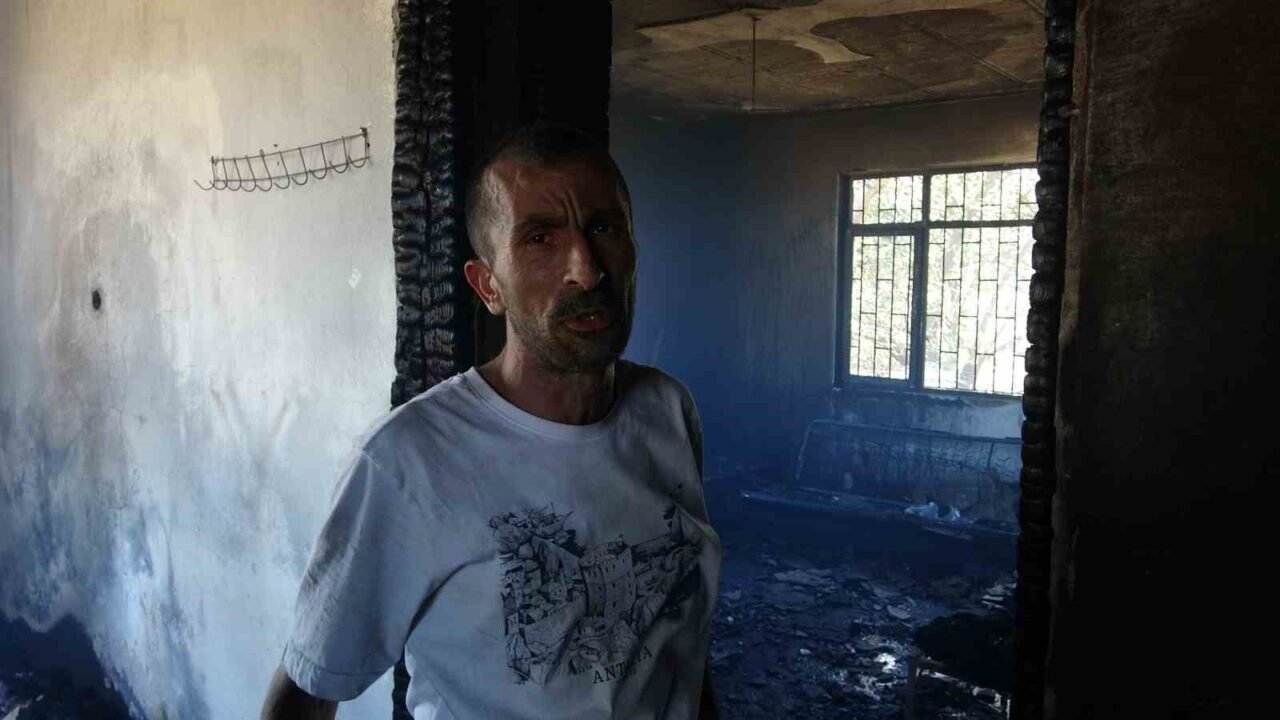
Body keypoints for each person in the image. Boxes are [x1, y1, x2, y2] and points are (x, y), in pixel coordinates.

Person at [260, 125, 722, 720]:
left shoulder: (667, 410)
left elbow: (678, 641)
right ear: (488, 286)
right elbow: (306, 693)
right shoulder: (406, 462)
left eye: (604, 228)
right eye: (540, 239)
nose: (585, 270)